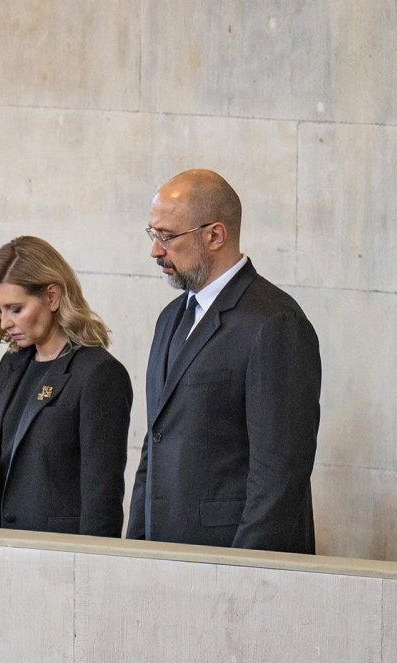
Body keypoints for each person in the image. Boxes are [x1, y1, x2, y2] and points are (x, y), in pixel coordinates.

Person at [126, 169, 322, 553]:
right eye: (153, 234)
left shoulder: (275, 322)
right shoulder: (170, 318)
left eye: (167, 236)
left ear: (215, 235)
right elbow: (156, 443)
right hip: (163, 553)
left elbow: (279, 473)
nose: (155, 250)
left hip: (231, 562)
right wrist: (136, 546)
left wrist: (242, 569)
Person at [0, 236, 132, 536]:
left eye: (15, 309)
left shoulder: (98, 374)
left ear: (52, 297)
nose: (5, 322)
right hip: (4, 549)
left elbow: (102, 498)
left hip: (63, 559)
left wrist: (90, 568)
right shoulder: (11, 365)